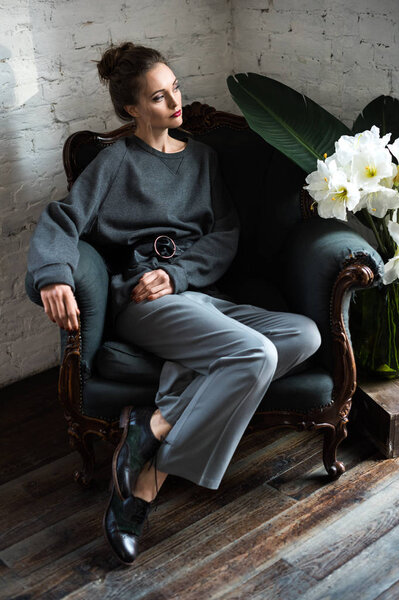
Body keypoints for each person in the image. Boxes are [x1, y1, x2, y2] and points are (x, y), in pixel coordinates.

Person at [26, 41, 322, 566]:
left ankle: (152, 426)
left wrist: (178, 273)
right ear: (133, 109)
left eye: (175, 89)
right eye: (159, 98)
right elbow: (62, 220)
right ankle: (146, 487)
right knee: (256, 355)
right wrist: (52, 276)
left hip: (198, 294)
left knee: (305, 334)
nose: (175, 103)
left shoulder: (203, 159)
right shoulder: (115, 160)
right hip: (144, 301)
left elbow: (225, 233)